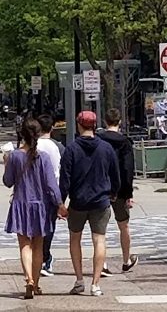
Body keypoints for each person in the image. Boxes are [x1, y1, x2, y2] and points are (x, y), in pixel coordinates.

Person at [59, 111, 120, 297]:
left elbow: (65, 179)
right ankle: (95, 284)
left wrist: (61, 202)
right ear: (94, 125)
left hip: (78, 202)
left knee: (75, 240)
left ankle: (79, 280)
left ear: (78, 125)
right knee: (99, 240)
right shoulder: (106, 148)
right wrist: (114, 193)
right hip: (101, 201)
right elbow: (115, 175)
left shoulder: (71, 149)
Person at [3, 117, 61, 299]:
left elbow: (8, 182)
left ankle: (28, 278)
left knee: (24, 245)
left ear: (22, 134)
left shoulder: (14, 156)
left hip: (21, 204)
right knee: (38, 246)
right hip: (40, 205)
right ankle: (35, 283)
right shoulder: (43, 157)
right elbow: (51, 185)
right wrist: (60, 204)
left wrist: (6, 163)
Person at [97, 108, 138, 276]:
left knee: (100, 229)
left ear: (105, 121)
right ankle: (126, 260)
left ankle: (103, 263)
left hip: (102, 188)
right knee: (124, 225)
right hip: (121, 189)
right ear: (120, 121)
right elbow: (128, 169)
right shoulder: (125, 142)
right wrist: (129, 194)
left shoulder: (99, 140)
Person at [36, 114, 63, 277]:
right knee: (49, 227)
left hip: (34, 192)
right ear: (52, 128)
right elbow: (59, 172)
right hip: (52, 192)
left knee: (34, 228)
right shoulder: (56, 147)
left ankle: (39, 258)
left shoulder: (32, 145)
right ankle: (45, 258)